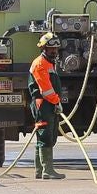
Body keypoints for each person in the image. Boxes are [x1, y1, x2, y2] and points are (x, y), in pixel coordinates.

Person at [28, 32, 66, 180]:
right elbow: (46, 89)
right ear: (43, 48)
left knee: (45, 136)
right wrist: (56, 101)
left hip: (48, 104)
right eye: (51, 49)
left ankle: (40, 170)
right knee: (45, 135)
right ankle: (47, 170)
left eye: (56, 49)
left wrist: (55, 102)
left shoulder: (49, 63)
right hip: (43, 104)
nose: (54, 51)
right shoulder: (40, 64)